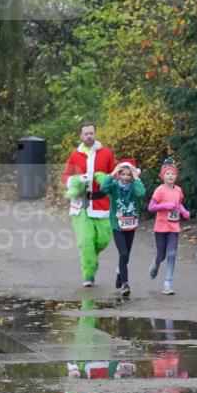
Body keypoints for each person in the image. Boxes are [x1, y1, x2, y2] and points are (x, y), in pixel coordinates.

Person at [61, 122, 116, 287]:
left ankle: (92, 257)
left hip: (101, 202)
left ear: (95, 134)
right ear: (80, 136)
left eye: (91, 133)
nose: (89, 136)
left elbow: (114, 175)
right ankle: (89, 274)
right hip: (80, 203)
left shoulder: (106, 153)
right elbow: (66, 177)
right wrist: (76, 180)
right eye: (86, 134)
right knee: (85, 241)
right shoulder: (75, 155)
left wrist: (105, 179)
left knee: (103, 239)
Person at [95, 158, 145, 297]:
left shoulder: (134, 186)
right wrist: (112, 174)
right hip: (118, 225)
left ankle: (119, 272)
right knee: (123, 254)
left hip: (131, 224)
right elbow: (103, 189)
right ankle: (125, 284)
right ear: (119, 174)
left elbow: (141, 193)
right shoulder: (114, 186)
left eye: (129, 175)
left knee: (126, 256)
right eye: (123, 174)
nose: (126, 177)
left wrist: (136, 177)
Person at [148, 158, 191, 295]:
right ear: (162, 176)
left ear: (176, 176)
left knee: (172, 254)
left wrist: (184, 212)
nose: (170, 176)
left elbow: (179, 204)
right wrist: (165, 206)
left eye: (172, 174)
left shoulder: (178, 190)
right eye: (167, 174)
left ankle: (167, 284)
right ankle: (155, 264)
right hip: (161, 227)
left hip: (173, 227)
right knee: (161, 255)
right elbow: (151, 207)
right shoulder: (159, 191)